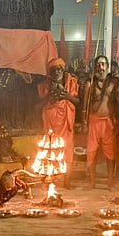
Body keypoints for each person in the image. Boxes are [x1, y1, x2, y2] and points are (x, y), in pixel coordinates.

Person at [78, 55, 119, 189]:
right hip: (94, 121)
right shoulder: (90, 83)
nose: (100, 67)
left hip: (108, 122)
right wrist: (84, 122)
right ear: (94, 67)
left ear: (107, 67)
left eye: (103, 64)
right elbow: (84, 105)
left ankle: (110, 182)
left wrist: (118, 121)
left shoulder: (113, 83)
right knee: (92, 152)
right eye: (98, 64)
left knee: (110, 153)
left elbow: (117, 102)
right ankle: (92, 181)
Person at [37, 57, 79, 188]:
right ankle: (50, 179)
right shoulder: (44, 86)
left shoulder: (71, 82)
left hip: (66, 123)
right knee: (50, 151)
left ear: (63, 70)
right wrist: (49, 97)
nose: (57, 72)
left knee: (67, 151)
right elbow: (37, 106)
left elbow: (78, 102)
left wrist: (66, 95)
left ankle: (67, 181)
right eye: (54, 70)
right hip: (50, 123)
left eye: (59, 69)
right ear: (50, 73)